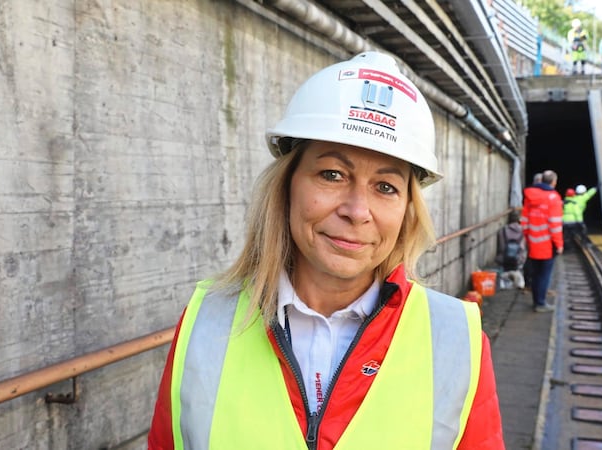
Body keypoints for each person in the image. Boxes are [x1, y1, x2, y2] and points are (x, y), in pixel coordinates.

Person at [147, 51, 504, 449]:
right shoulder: (205, 322)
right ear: (287, 185)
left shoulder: (456, 340)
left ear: (407, 211)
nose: (357, 211)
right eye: (332, 175)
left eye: (385, 187)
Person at [521, 170, 564, 312]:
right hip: (547, 245)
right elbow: (555, 225)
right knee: (544, 275)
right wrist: (559, 245)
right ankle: (540, 303)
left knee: (535, 274)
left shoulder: (529, 196)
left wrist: (527, 238)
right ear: (554, 182)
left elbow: (525, 221)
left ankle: (536, 301)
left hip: (533, 242)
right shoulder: (554, 198)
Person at [496, 210, 526, 289]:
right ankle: (519, 280)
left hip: (503, 259)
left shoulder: (502, 231)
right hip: (518, 260)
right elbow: (522, 247)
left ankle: (503, 281)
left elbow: (500, 247)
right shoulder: (523, 231)